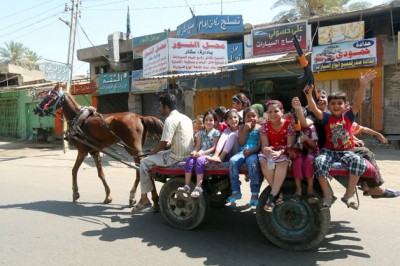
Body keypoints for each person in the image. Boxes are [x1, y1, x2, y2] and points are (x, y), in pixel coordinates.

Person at [295, 88, 399, 199]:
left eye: (323, 98)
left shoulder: (340, 115)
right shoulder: (318, 116)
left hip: (344, 148)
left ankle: (367, 186)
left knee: (364, 155)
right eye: (319, 99)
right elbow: (306, 120)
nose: (336, 105)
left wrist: (357, 138)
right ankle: (370, 187)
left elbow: (348, 127)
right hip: (327, 149)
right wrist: (307, 96)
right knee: (363, 153)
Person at [304, 69, 377, 210]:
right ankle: (327, 196)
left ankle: (348, 194)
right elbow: (313, 107)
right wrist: (308, 95)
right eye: (333, 104)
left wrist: (362, 85)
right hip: (329, 151)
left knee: (359, 162)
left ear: (345, 106)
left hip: (346, 151)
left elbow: (358, 102)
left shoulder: (349, 117)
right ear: (328, 107)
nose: (336, 106)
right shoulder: (326, 118)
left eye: (339, 103)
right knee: (319, 163)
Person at [134, 93, 194, 211]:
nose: (159, 108)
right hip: (186, 154)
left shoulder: (170, 120)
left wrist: (153, 152)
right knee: (153, 156)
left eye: (160, 106)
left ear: (166, 107)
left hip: (176, 157)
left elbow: (163, 143)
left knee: (144, 162)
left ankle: (144, 198)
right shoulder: (185, 117)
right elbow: (175, 139)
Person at [259, 100, 295, 212]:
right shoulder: (263, 127)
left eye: (276, 111)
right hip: (271, 153)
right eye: (270, 112)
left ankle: (272, 198)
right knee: (263, 160)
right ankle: (278, 193)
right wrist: (267, 149)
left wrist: (280, 152)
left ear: (282, 111)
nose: (273, 114)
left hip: (285, 152)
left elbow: (290, 144)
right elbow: (265, 145)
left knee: (282, 163)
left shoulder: (289, 125)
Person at [178, 110, 220, 198]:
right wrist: (194, 152)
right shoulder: (200, 133)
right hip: (200, 152)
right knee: (189, 161)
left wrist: (203, 153)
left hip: (210, 154)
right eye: (206, 120)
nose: (208, 122)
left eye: (211, 120)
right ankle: (187, 186)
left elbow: (214, 147)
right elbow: (197, 146)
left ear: (215, 122)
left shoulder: (216, 133)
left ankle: (198, 187)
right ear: (204, 121)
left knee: (200, 161)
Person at [227, 106, 262, 206]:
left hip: (254, 152)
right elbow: (241, 142)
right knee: (233, 161)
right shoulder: (242, 128)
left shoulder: (260, 128)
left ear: (258, 117)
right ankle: (236, 190)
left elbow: (260, 146)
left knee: (252, 163)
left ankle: (254, 193)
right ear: (244, 118)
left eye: (254, 116)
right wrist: (245, 130)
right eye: (248, 116)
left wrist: (251, 152)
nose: (251, 118)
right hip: (242, 152)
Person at [288, 104, 319, 203]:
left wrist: (306, 139)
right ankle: (298, 190)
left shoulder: (311, 128)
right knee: (297, 162)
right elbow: (289, 145)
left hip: (311, 152)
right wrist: (294, 146)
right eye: (292, 118)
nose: (295, 120)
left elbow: (314, 146)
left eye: (297, 118)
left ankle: (310, 189)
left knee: (309, 161)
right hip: (298, 153)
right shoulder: (291, 128)